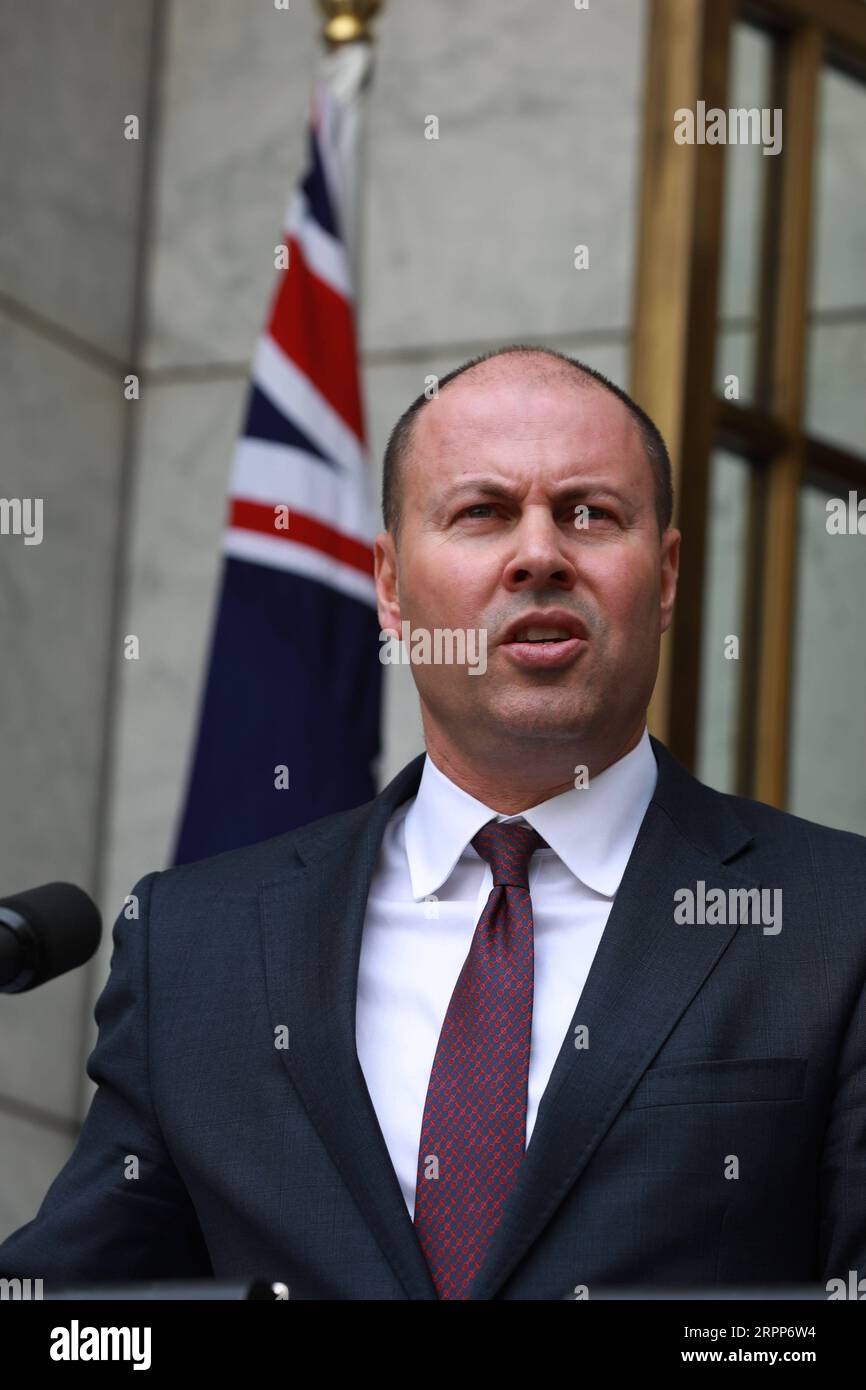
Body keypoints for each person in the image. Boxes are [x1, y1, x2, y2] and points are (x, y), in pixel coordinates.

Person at [2, 345, 864, 1299]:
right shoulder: (196, 947)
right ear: (392, 587)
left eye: (589, 513)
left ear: (664, 578)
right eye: (483, 513)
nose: (540, 553)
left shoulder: (836, 921)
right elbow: (76, 1318)